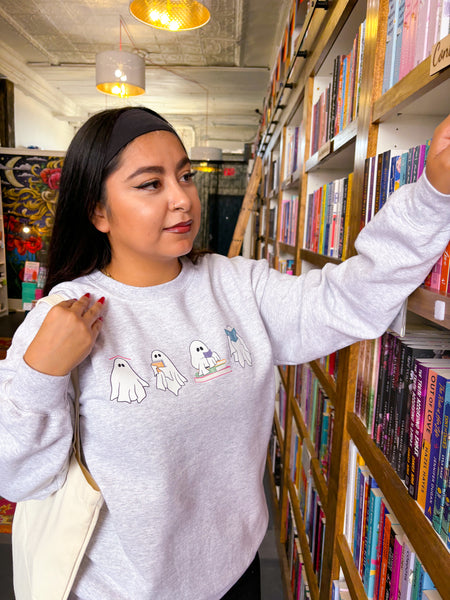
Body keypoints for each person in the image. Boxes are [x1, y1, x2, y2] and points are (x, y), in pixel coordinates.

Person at [0, 106, 449, 600]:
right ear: (98, 211)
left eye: (185, 176)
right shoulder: (67, 316)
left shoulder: (237, 286)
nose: (182, 200)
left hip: (233, 574)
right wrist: (41, 373)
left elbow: (347, 301)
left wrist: (434, 195)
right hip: (118, 590)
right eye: (151, 184)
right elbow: (18, 477)